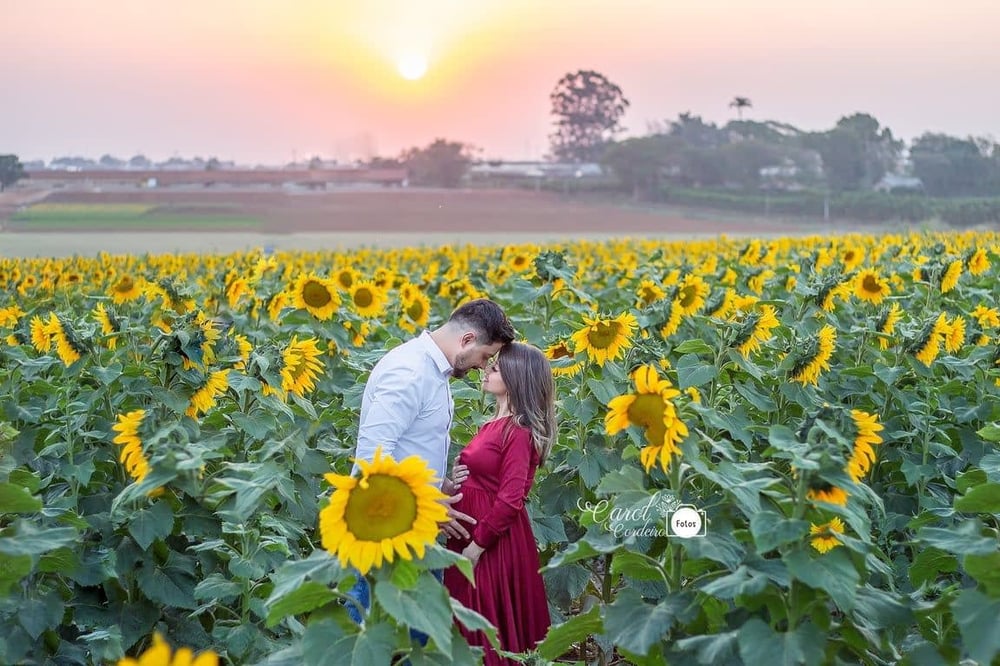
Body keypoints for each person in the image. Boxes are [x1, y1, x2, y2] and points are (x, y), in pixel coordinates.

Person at [347, 298, 516, 623]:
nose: (483, 366)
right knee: (367, 625)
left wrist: (441, 483)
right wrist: (424, 504)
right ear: (466, 340)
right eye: (484, 356)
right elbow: (373, 459)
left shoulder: (432, 372)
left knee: (417, 629)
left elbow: (410, 446)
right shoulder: (409, 372)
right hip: (383, 521)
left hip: (410, 521)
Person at [444, 342, 556, 665]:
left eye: (495, 368)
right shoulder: (495, 423)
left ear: (516, 378)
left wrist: (476, 548)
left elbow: (510, 499)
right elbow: (487, 475)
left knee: (482, 631)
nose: (486, 370)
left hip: (490, 545)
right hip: (471, 536)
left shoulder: (518, 431)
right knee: (468, 626)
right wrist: (459, 475)